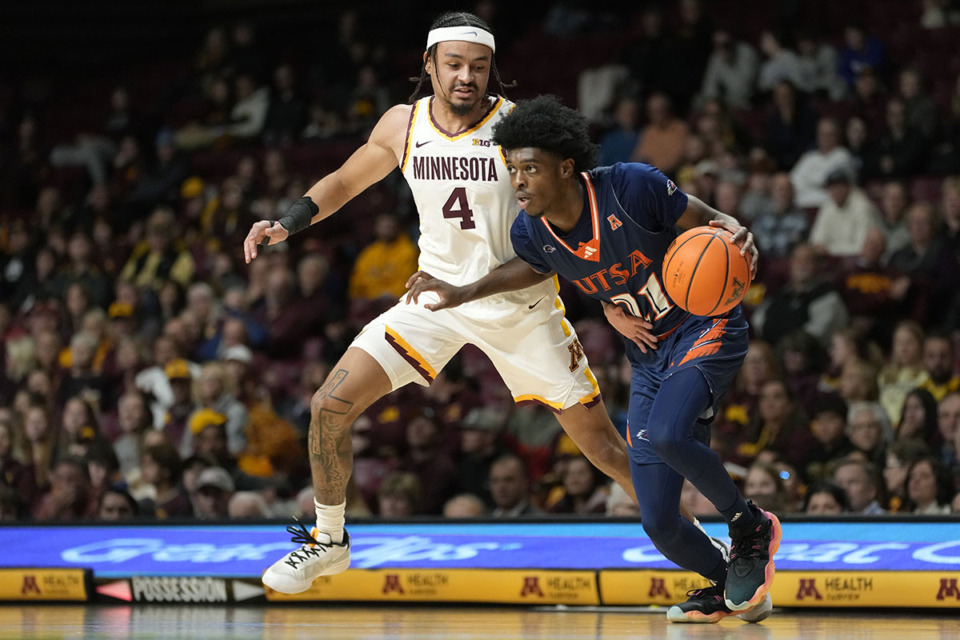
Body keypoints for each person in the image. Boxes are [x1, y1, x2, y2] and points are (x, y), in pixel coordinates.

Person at [243, 12, 636, 596]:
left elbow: (574, 217)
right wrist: (288, 221)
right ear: (429, 65)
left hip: (517, 303)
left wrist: (610, 294)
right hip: (432, 298)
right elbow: (346, 181)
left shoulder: (517, 126)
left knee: (605, 450)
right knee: (328, 406)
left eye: (478, 67)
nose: (465, 77)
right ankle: (329, 541)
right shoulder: (403, 125)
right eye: (453, 64)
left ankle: (710, 544)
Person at [406, 95, 777, 623]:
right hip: (649, 353)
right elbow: (536, 267)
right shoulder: (530, 231)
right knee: (658, 522)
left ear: (565, 167)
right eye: (512, 169)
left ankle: (750, 526)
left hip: (703, 326)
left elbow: (704, 218)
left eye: (530, 168)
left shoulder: (631, 185)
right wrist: (463, 293)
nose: (519, 181)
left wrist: (732, 228)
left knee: (671, 435)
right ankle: (729, 587)